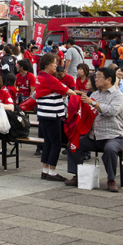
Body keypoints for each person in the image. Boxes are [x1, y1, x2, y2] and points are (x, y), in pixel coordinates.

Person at [64, 67, 123, 192]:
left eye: (98, 77)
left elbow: (112, 111)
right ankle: (77, 174)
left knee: (110, 149)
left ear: (109, 79)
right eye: (95, 77)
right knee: (73, 144)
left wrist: (93, 103)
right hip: (94, 136)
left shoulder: (118, 96)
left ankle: (111, 179)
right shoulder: (94, 94)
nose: (95, 79)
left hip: (113, 136)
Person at [35, 52, 79, 180]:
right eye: (54, 63)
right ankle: (52, 172)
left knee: (48, 143)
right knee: (56, 143)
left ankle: (45, 170)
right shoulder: (49, 79)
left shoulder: (41, 76)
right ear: (47, 64)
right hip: (52, 114)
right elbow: (68, 91)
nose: (56, 65)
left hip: (43, 114)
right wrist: (79, 94)